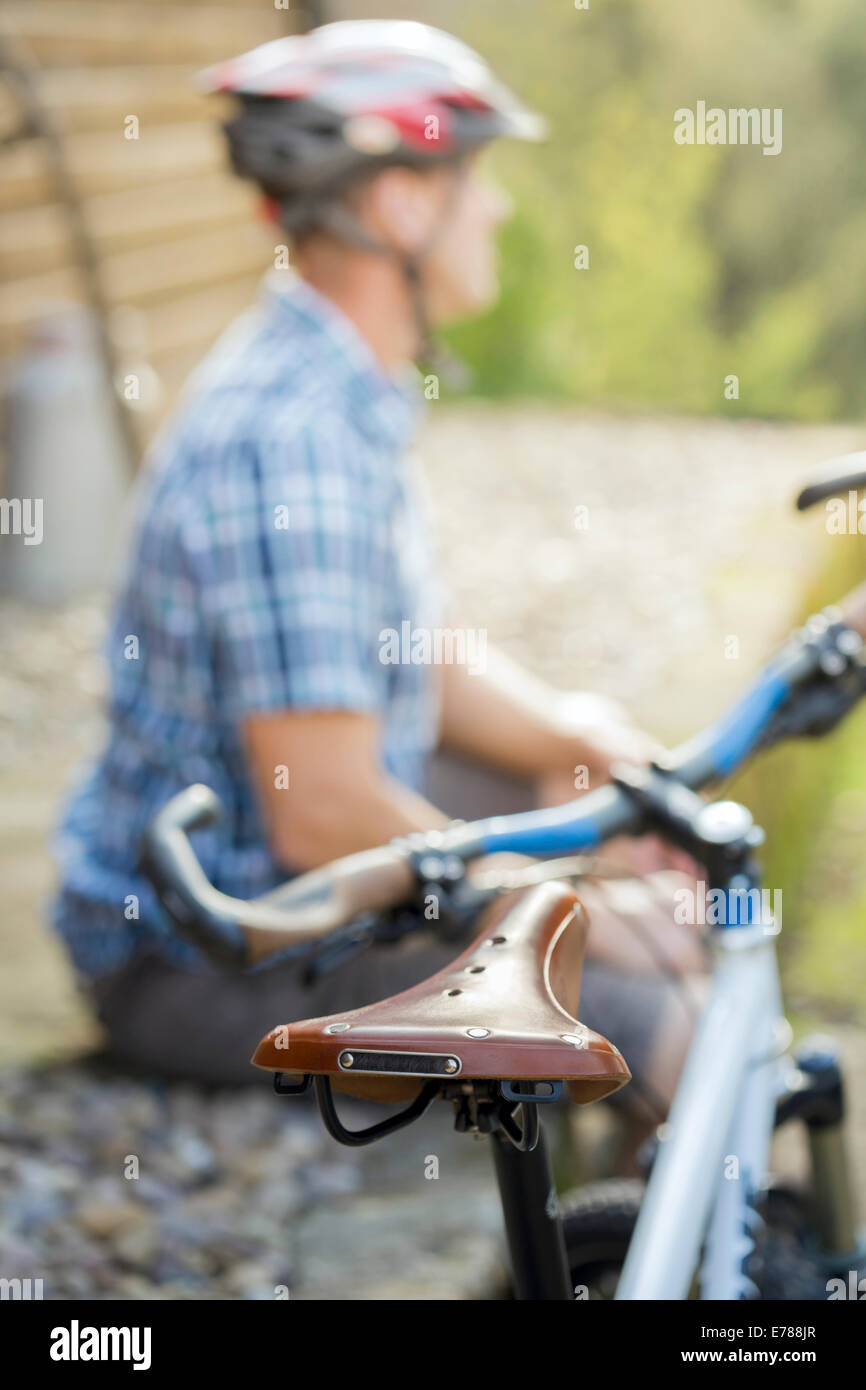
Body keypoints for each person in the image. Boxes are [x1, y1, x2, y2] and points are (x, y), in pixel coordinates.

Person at [52, 21, 704, 1159]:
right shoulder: (292, 443)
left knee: (582, 806)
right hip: (200, 952)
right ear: (398, 204)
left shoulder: (338, 385)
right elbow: (323, 812)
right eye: (474, 179)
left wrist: (569, 734)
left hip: (287, 860)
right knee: (650, 1016)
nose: (494, 210)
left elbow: (405, 646)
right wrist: (576, 916)